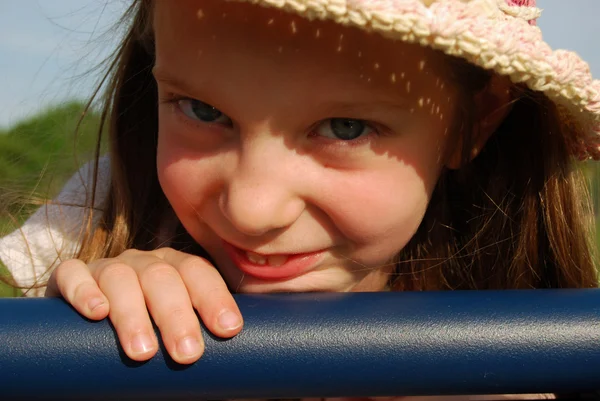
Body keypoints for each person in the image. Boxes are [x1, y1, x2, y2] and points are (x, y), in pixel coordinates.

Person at [0, 0, 598, 389]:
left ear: (476, 121)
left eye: (345, 128)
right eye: (203, 110)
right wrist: (78, 344)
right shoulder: (99, 223)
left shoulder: (538, 360)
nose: (252, 208)